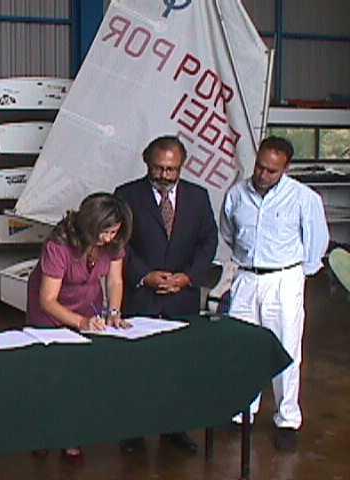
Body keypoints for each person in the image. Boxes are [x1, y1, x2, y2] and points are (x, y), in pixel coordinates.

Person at [220, 136, 329, 452]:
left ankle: (287, 419)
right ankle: (243, 412)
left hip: (284, 279)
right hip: (246, 278)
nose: (263, 175)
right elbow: (228, 231)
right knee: (241, 347)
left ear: (285, 168)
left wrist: (295, 277)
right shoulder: (237, 193)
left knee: (285, 349)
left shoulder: (303, 198)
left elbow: (316, 244)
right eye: (259, 167)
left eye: (271, 171)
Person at [115, 135, 218, 454]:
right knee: (140, 367)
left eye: (172, 169)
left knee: (178, 366)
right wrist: (145, 276)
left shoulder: (199, 197)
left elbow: (208, 243)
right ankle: (134, 431)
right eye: (159, 168)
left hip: (182, 298)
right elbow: (120, 245)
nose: (165, 175)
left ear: (181, 167)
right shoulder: (126, 194)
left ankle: (174, 429)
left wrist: (186, 278)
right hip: (141, 296)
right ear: (147, 161)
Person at [26, 192, 133, 459]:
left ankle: (70, 434)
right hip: (50, 313)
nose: (108, 238)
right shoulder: (59, 244)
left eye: (114, 232)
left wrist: (114, 312)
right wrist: (81, 322)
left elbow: (115, 281)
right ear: (89, 224)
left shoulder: (115, 242)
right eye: (104, 231)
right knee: (50, 375)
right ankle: (41, 434)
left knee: (79, 374)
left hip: (88, 304)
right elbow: (47, 300)